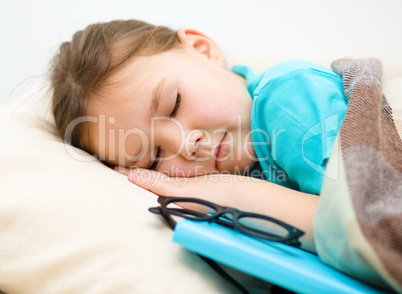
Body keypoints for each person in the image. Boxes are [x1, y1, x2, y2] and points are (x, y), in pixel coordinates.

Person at [50, 19, 348, 253]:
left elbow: (360, 228)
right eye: (153, 159)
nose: (185, 145)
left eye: (174, 105)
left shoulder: (287, 94)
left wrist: (231, 191)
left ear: (203, 49)